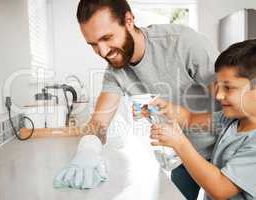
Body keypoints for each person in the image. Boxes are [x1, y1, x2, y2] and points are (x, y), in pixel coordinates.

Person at [76, 0, 218, 198]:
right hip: (182, 154)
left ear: (128, 20)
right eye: (93, 44)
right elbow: (99, 122)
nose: (103, 51)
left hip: (224, 150)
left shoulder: (183, 43)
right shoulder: (115, 72)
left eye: (107, 38)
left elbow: (238, 107)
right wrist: (88, 149)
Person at [149, 38, 256, 199]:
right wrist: (165, 108)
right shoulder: (232, 119)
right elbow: (189, 119)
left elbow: (220, 189)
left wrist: (180, 143)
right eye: (219, 86)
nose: (218, 95)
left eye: (228, 88)